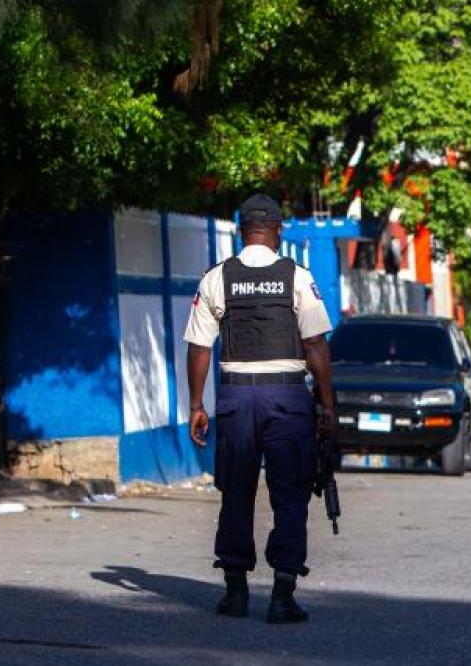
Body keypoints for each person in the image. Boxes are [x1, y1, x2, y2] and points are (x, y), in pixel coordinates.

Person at [183, 193, 335, 623]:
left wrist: (197, 404)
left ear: (241, 231)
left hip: (236, 398)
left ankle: (235, 594)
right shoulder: (297, 277)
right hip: (287, 398)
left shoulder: (217, 278)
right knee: (290, 493)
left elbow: (198, 347)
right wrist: (327, 405)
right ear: (279, 231)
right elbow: (315, 344)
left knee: (236, 492)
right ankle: (282, 596)